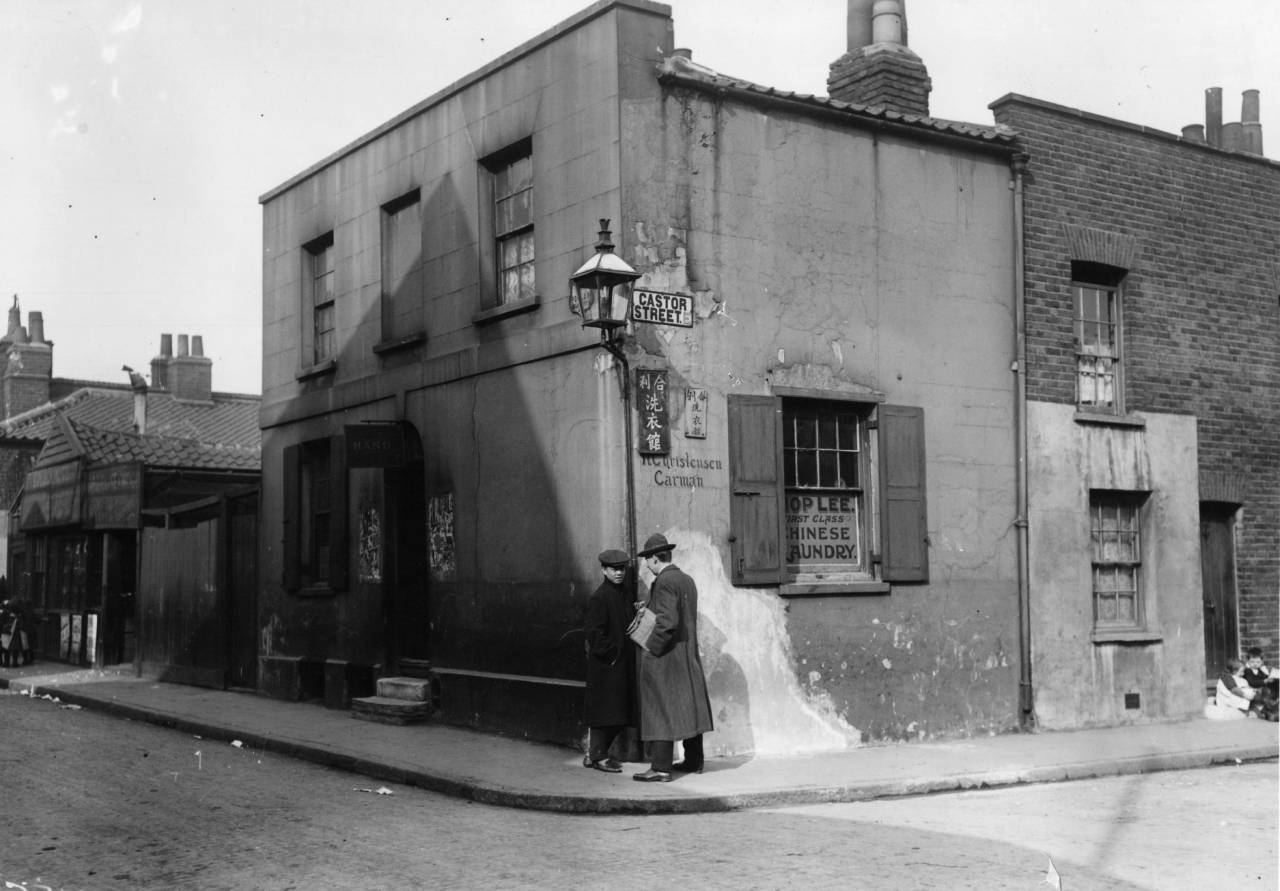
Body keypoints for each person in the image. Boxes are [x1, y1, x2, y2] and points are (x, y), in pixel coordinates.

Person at [631, 533, 713, 782]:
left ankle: (660, 768)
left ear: (657, 558)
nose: (646, 564)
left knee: (659, 709)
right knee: (687, 706)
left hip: (665, 657)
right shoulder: (686, 579)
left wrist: (651, 649)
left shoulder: (664, 581)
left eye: (648, 559)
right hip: (685, 656)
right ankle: (694, 760)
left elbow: (667, 622)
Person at [581, 548, 637, 773]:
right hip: (607, 666)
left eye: (622, 569)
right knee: (606, 714)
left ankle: (592, 754)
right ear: (604, 570)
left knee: (617, 713)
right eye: (614, 569)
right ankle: (598, 756)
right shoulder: (600, 597)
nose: (619, 573)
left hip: (619, 664)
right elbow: (594, 634)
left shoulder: (621, 594)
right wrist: (613, 655)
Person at [1242, 647, 1279, 721]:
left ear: (1262, 662)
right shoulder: (1248, 671)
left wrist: (1271, 678)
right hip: (1253, 690)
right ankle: (1270, 709)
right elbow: (1251, 682)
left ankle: (1275, 702)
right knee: (1267, 690)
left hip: (1261, 689)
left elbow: (1264, 677)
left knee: (1276, 683)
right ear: (1248, 661)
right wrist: (1264, 681)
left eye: (1258, 662)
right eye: (1252, 662)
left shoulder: (1260, 670)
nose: (1255, 664)